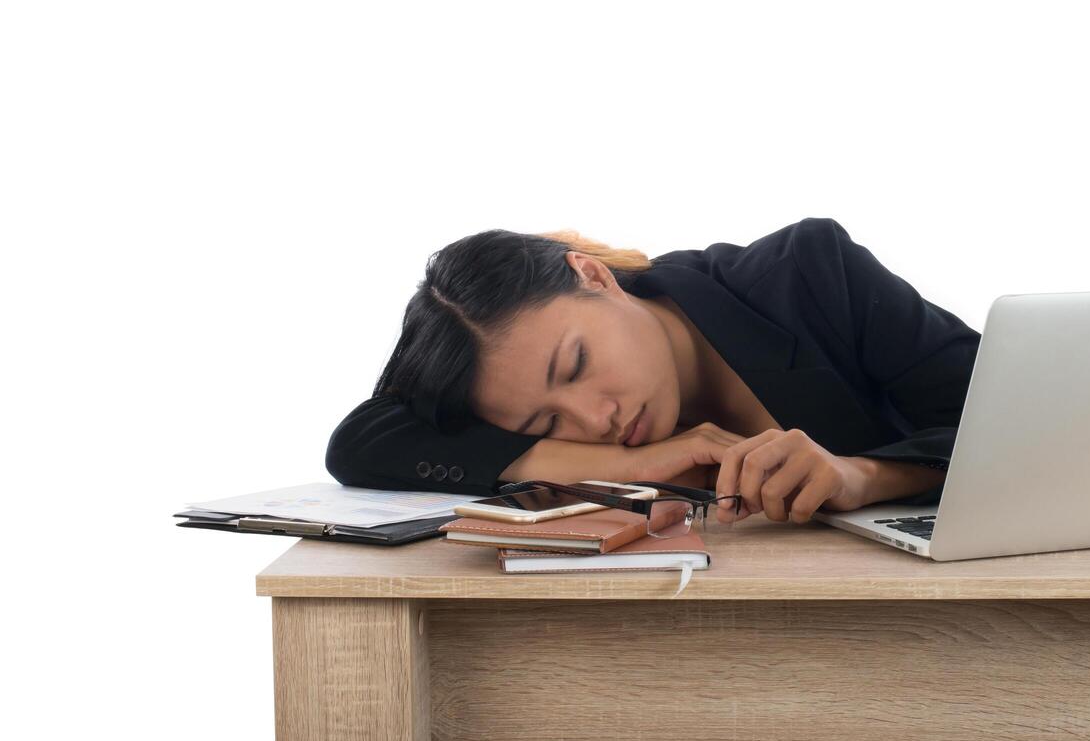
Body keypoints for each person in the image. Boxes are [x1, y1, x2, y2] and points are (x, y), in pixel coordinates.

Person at [326, 217, 979, 524]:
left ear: (593, 274)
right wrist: (633, 466)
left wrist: (861, 476)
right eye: (546, 423)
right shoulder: (535, 403)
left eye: (576, 364)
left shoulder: (808, 273)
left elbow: (1022, 414)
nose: (593, 419)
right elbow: (364, 440)